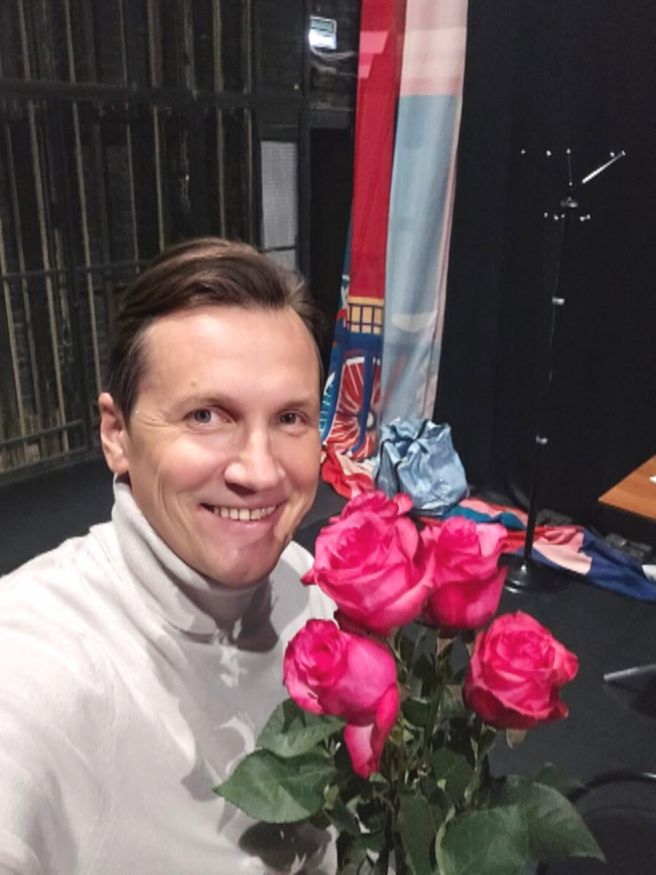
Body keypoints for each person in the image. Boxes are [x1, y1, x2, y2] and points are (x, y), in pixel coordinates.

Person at [0, 239, 337, 874]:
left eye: (290, 418)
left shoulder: (309, 588)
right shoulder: (33, 659)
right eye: (206, 415)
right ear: (116, 434)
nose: (261, 471)